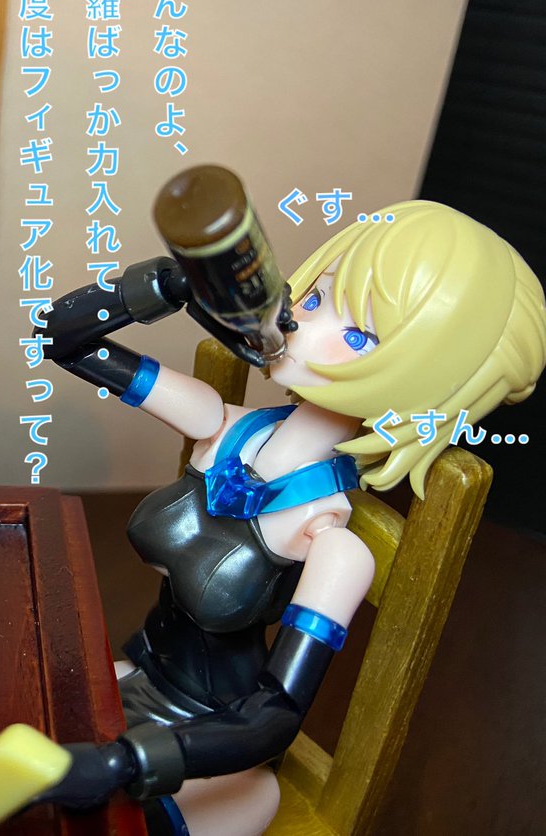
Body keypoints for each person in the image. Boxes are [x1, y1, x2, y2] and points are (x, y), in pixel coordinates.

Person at [33, 200, 546, 835]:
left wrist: (130, 762)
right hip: (136, 678)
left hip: (213, 752)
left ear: (423, 387)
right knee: (3, 722)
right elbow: (58, 337)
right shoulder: (217, 426)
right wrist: (164, 285)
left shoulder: (330, 543)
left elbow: (274, 715)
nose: (303, 322)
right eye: (318, 297)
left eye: (359, 337)